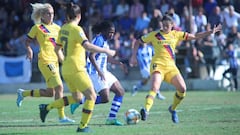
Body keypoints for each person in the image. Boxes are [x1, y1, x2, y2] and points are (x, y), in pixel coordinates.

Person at [130, 15, 222, 123]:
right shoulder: (155, 35)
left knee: (182, 89)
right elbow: (137, 41)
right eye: (163, 25)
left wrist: (210, 32)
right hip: (157, 65)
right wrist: (133, 56)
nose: (164, 27)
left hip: (171, 67)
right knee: (155, 87)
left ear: (172, 25)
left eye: (167, 25)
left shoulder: (176, 34)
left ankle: (173, 109)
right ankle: (146, 110)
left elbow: (195, 36)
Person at [38, 3, 115, 132]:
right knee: (92, 96)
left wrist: (65, 61)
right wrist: (106, 51)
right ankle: (82, 127)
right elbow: (87, 46)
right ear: (79, 16)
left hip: (66, 69)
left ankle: (46, 107)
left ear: (67, 16)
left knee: (77, 98)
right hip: (77, 68)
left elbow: (57, 49)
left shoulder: (63, 28)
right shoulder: (77, 29)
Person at [16, 3, 74, 123]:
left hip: (55, 61)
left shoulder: (58, 28)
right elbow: (27, 41)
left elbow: (60, 45)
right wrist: (29, 50)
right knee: (59, 87)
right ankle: (62, 117)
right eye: (48, 13)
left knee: (50, 93)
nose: (51, 15)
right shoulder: (37, 27)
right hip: (45, 60)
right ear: (42, 15)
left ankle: (23, 93)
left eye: (52, 13)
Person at [70, 21, 127, 126]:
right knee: (105, 98)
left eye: (113, 33)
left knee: (120, 92)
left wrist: (119, 63)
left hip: (103, 71)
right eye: (110, 32)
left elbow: (104, 58)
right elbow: (91, 56)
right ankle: (80, 101)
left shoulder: (104, 41)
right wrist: (99, 71)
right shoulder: (99, 40)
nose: (112, 35)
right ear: (104, 31)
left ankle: (111, 118)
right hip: (95, 73)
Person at [131, 29, 165, 100]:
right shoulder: (139, 50)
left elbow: (154, 56)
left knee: (145, 81)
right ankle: (157, 93)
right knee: (153, 78)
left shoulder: (150, 48)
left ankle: (136, 88)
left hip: (151, 67)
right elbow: (138, 60)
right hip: (144, 68)